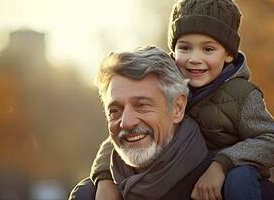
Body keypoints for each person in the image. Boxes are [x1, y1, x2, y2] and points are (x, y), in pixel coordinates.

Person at [85, 0, 274, 199]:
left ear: (228, 54)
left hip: (233, 168)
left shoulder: (241, 95)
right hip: (185, 169)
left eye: (208, 49)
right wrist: (104, 178)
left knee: (239, 180)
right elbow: (124, 132)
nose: (194, 59)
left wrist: (221, 164)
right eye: (185, 48)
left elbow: (273, 141)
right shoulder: (165, 82)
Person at [69, 46, 213, 200]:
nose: (126, 123)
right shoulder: (89, 195)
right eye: (115, 110)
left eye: (142, 105)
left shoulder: (222, 186)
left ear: (177, 108)